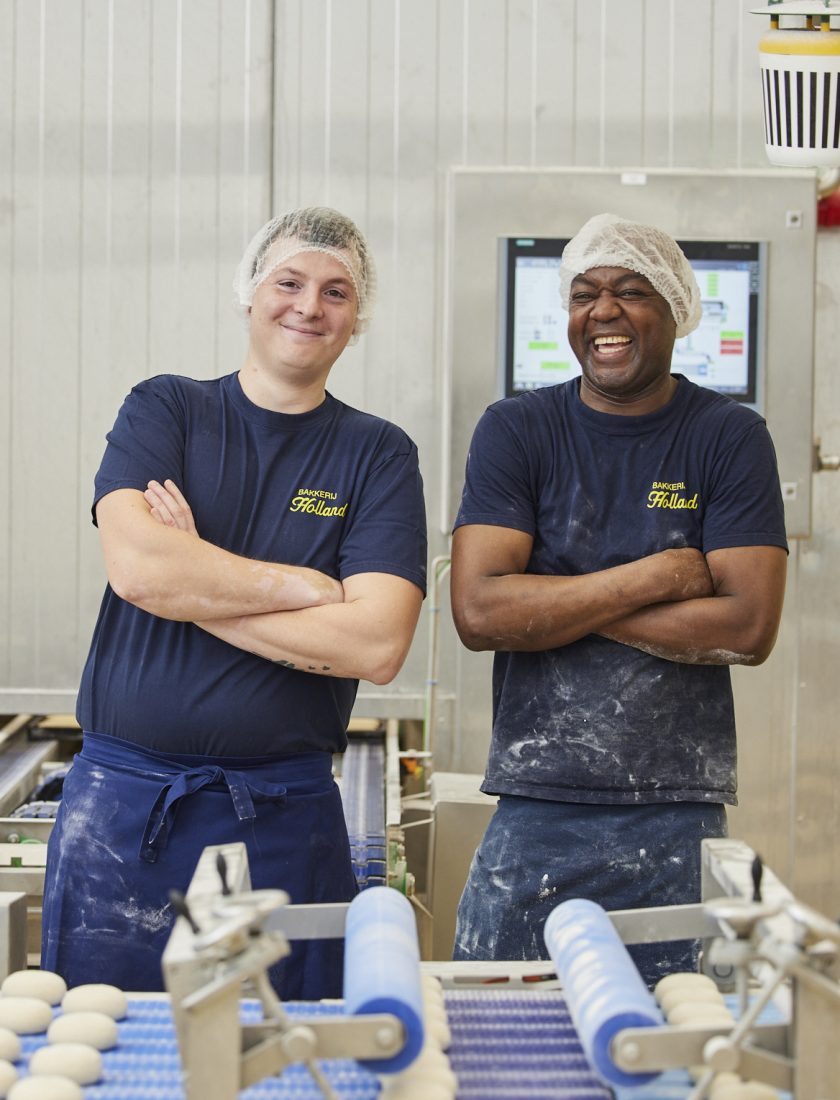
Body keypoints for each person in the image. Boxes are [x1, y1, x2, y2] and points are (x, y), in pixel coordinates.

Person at [41, 207, 427, 999]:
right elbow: (140, 570)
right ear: (249, 294)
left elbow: (376, 644)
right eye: (288, 282)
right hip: (123, 814)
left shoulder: (378, 454)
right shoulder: (167, 410)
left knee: (284, 1060)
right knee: (113, 1050)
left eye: (336, 292)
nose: (308, 306)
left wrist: (195, 589)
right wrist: (307, 588)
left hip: (282, 820)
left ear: (359, 320)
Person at [450, 213, 787, 985]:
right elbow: (479, 613)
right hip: (536, 806)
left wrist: (555, 603)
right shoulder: (518, 431)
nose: (602, 311)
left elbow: (746, 624)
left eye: (631, 292)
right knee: (500, 1037)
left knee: (670, 1046)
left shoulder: (728, 436)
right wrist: (662, 576)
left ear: (674, 311)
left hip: (676, 810)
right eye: (585, 294)